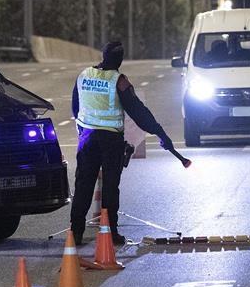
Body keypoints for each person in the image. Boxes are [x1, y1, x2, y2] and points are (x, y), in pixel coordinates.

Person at [69, 40, 178, 246]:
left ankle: (75, 232)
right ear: (120, 59)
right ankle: (110, 233)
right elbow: (139, 113)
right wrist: (160, 133)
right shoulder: (119, 81)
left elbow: (75, 107)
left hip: (87, 139)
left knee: (83, 184)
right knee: (110, 186)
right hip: (110, 140)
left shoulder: (84, 75)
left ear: (103, 55)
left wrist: (84, 128)